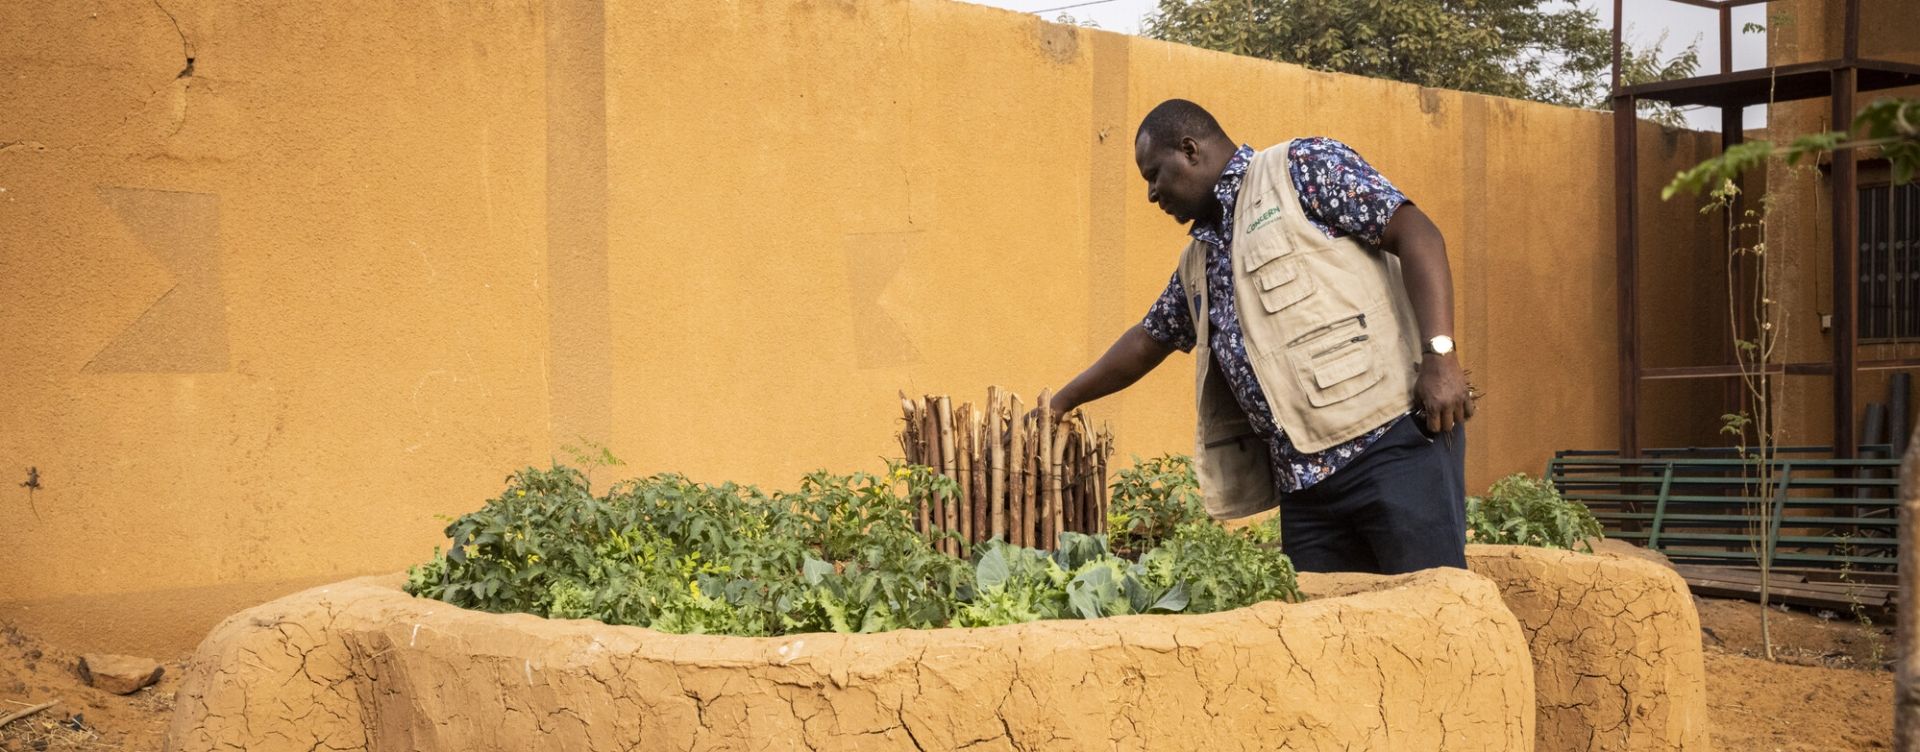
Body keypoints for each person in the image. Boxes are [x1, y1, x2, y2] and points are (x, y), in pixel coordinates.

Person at [1043, 99, 1474, 575]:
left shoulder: (1299, 169)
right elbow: (1148, 339)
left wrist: (1441, 353)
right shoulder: (1200, 261)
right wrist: (1060, 403)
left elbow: (1417, 233)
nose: (1150, 194)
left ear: (1189, 150)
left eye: (1154, 174)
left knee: (1430, 618)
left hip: (1391, 452)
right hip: (1306, 492)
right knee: (1332, 641)